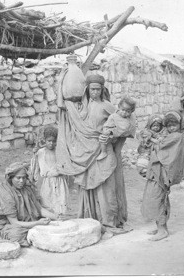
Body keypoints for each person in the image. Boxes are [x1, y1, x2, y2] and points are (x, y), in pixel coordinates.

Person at [56, 74, 131, 236]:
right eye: (92, 89)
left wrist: (111, 136)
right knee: (87, 185)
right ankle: (90, 219)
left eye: (98, 89)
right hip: (84, 152)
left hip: (102, 151)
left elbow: (127, 124)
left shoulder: (108, 106)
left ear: (102, 89)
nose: (95, 92)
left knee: (107, 187)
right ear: (87, 90)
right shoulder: (80, 107)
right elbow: (62, 104)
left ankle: (109, 221)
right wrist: (63, 77)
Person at [0, 162, 58, 247]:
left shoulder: (27, 188)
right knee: (16, 234)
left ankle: (32, 230)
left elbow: (39, 209)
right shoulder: (6, 194)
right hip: (9, 224)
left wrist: (56, 216)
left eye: (23, 178)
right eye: (18, 178)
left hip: (26, 220)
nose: (21, 181)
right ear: (11, 178)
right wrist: (37, 223)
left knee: (51, 216)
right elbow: (14, 222)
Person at [141, 110, 184, 241]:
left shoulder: (176, 136)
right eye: (169, 125)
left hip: (163, 173)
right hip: (156, 171)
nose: (172, 127)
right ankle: (160, 226)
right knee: (154, 198)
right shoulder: (169, 135)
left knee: (158, 199)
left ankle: (162, 229)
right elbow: (158, 143)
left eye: (174, 125)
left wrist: (152, 139)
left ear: (179, 125)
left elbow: (162, 146)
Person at [29, 124, 69, 215]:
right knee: (47, 203)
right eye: (49, 141)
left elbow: (65, 166)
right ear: (44, 140)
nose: (51, 143)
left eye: (54, 141)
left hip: (59, 182)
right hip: (46, 182)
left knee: (60, 202)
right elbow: (35, 167)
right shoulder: (40, 152)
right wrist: (34, 155)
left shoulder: (60, 152)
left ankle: (60, 219)